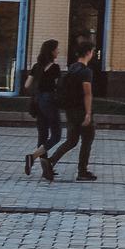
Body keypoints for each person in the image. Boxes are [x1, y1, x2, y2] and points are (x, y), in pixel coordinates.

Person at [42, 41, 98, 181]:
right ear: (88, 52)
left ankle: (50, 161)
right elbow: (87, 93)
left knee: (72, 140)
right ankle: (82, 171)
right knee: (87, 139)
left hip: (70, 109)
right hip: (81, 110)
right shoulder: (86, 71)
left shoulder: (72, 68)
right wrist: (88, 113)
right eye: (92, 51)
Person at [24, 40, 64, 176]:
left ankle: (45, 170)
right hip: (49, 101)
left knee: (42, 135)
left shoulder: (36, 66)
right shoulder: (55, 67)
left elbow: (27, 85)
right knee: (56, 135)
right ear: (51, 51)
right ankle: (32, 157)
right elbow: (58, 86)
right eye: (57, 49)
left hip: (37, 101)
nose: (58, 51)